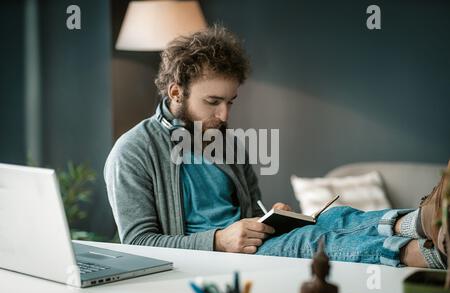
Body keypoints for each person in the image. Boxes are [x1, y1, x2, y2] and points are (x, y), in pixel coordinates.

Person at [104, 26, 448, 269]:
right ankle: (426, 253)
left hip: (246, 243)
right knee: (307, 243)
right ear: (176, 92)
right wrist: (220, 240)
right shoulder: (133, 151)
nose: (224, 115)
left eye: (230, 102)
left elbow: (248, 215)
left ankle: (422, 220)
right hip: (211, 257)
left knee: (331, 217)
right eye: (213, 102)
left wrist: (273, 218)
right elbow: (137, 243)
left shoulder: (225, 142)